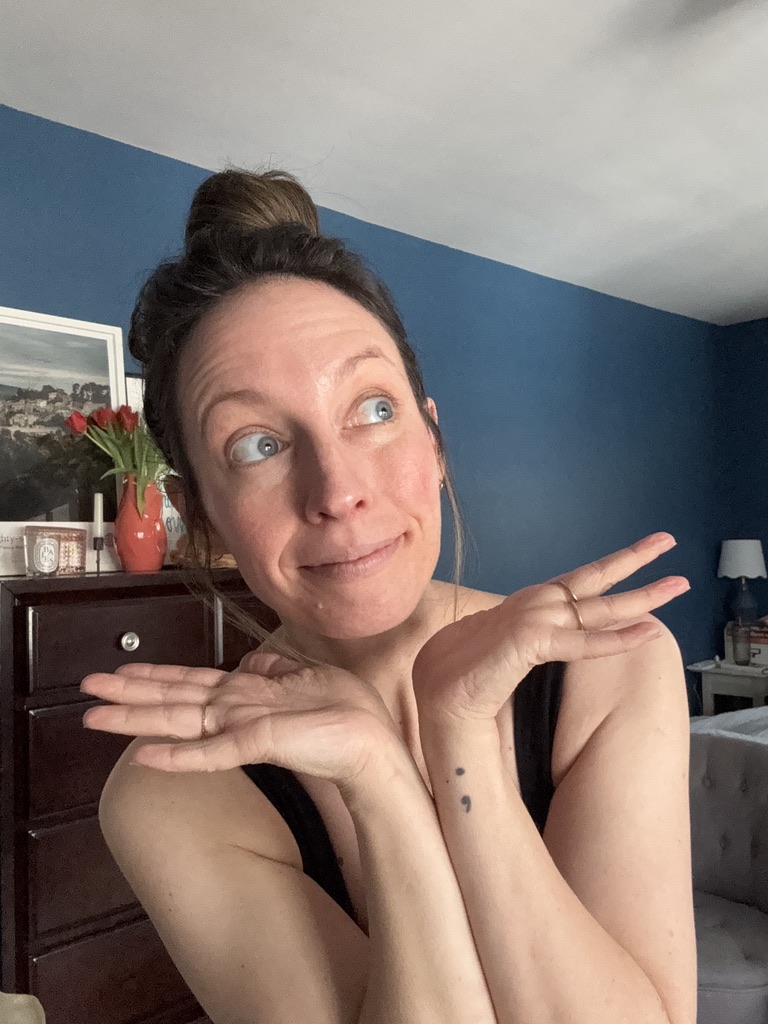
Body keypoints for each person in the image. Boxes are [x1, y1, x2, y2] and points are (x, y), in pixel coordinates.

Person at [80, 169, 697, 1024]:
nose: (337, 489)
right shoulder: (175, 793)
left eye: (372, 409)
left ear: (434, 441)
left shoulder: (614, 669)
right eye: (257, 443)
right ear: (200, 517)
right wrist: (387, 793)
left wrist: (462, 733)